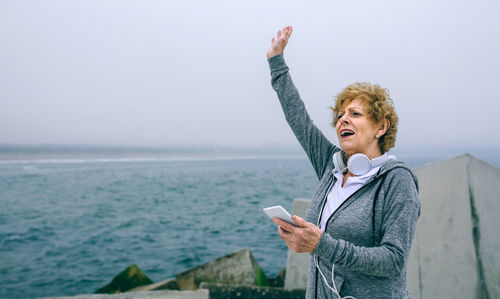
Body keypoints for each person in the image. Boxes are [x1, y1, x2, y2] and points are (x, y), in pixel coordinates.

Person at [266, 26, 420, 299]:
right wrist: (276, 61)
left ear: (381, 127)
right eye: (339, 115)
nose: (342, 119)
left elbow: (394, 260)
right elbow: (297, 117)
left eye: (355, 113)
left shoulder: (397, 180)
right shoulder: (331, 165)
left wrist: (321, 244)